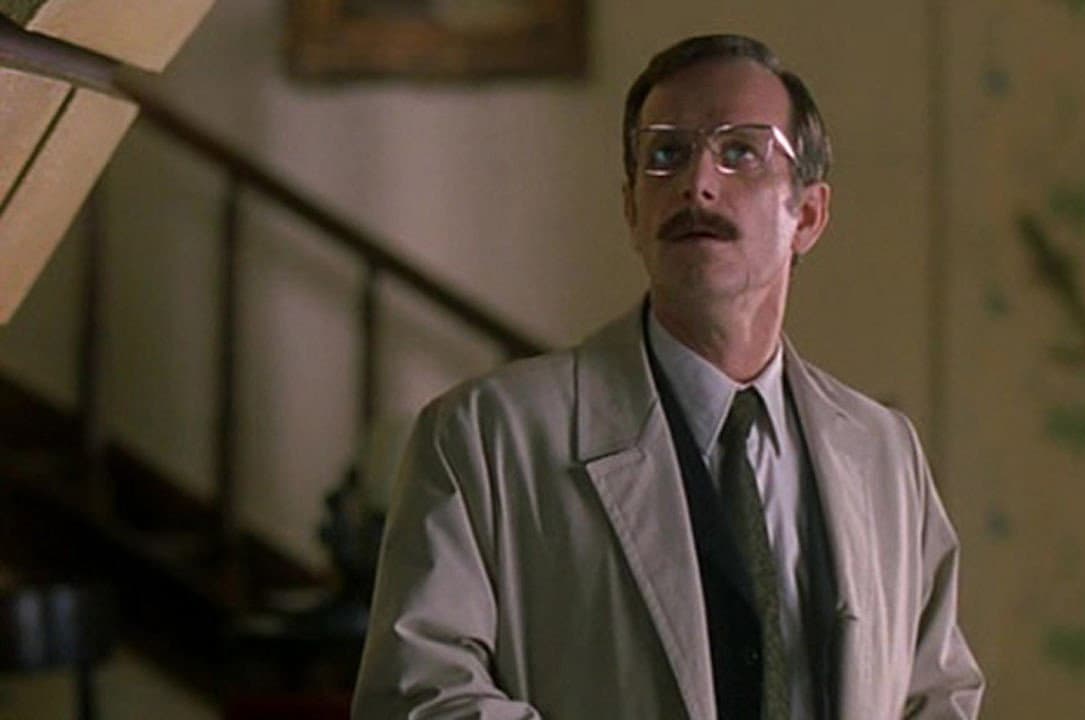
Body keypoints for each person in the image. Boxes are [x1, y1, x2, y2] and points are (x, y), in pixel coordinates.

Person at [351, 34, 983, 720]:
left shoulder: (884, 453)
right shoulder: (485, 436)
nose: (697, 183)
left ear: (807, 214)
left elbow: (938, 693)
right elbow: (418, 697)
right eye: (666, 155)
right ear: (632, 212)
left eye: (740, 151)